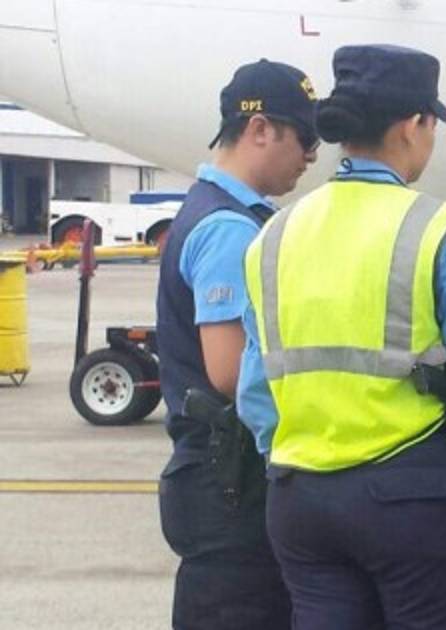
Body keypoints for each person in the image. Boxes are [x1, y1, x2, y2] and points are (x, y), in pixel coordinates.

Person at [236, 45, 446, 629]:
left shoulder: (273, 236)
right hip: (414, 500)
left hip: (300, 503)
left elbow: (255, 390)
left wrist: (292, 463)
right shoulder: (436, 231)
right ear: (415, 124)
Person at [156, 57, 319, 630]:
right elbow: (228, 374)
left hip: (215, 480)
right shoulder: (228, 229)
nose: (312, 156)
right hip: (230, 482)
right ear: (260, 128)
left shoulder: (214, 208)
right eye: (305, 138)